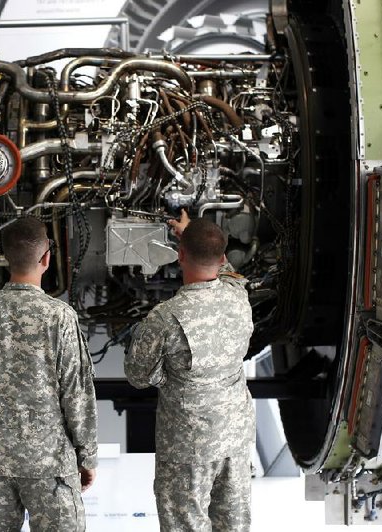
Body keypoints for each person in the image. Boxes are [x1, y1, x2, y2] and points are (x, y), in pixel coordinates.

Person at [0, 216, 98, 532]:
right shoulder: (60, 317)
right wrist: (87, 456)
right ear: (46, 259)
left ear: (5, 257)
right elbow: (77, 395)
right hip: (49, 463)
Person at [125, 210, 255, 532]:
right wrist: (192, 235)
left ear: (179, 255)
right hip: (235, 436)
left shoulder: (164, 318)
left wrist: (169, 378)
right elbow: (226, 271)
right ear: (223, 256)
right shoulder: (239, 296)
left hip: (188, 444)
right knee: (234, 524)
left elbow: (138, 375)